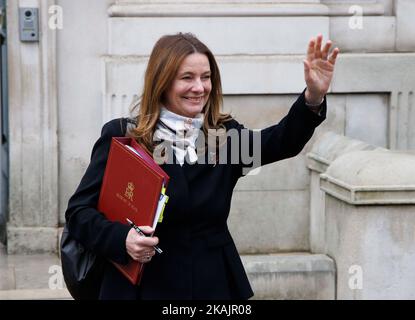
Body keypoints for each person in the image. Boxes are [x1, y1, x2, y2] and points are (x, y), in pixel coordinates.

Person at [65, 32, 339, 300]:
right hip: (142, 288)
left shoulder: (222, 137)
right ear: (162, 82)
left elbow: (282, 141)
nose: (199, 87)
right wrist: (121, 238)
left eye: (206, 77)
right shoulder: (125, 137)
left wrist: (313, 97)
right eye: (187, 77)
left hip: (213, 284)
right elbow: (79, 213)